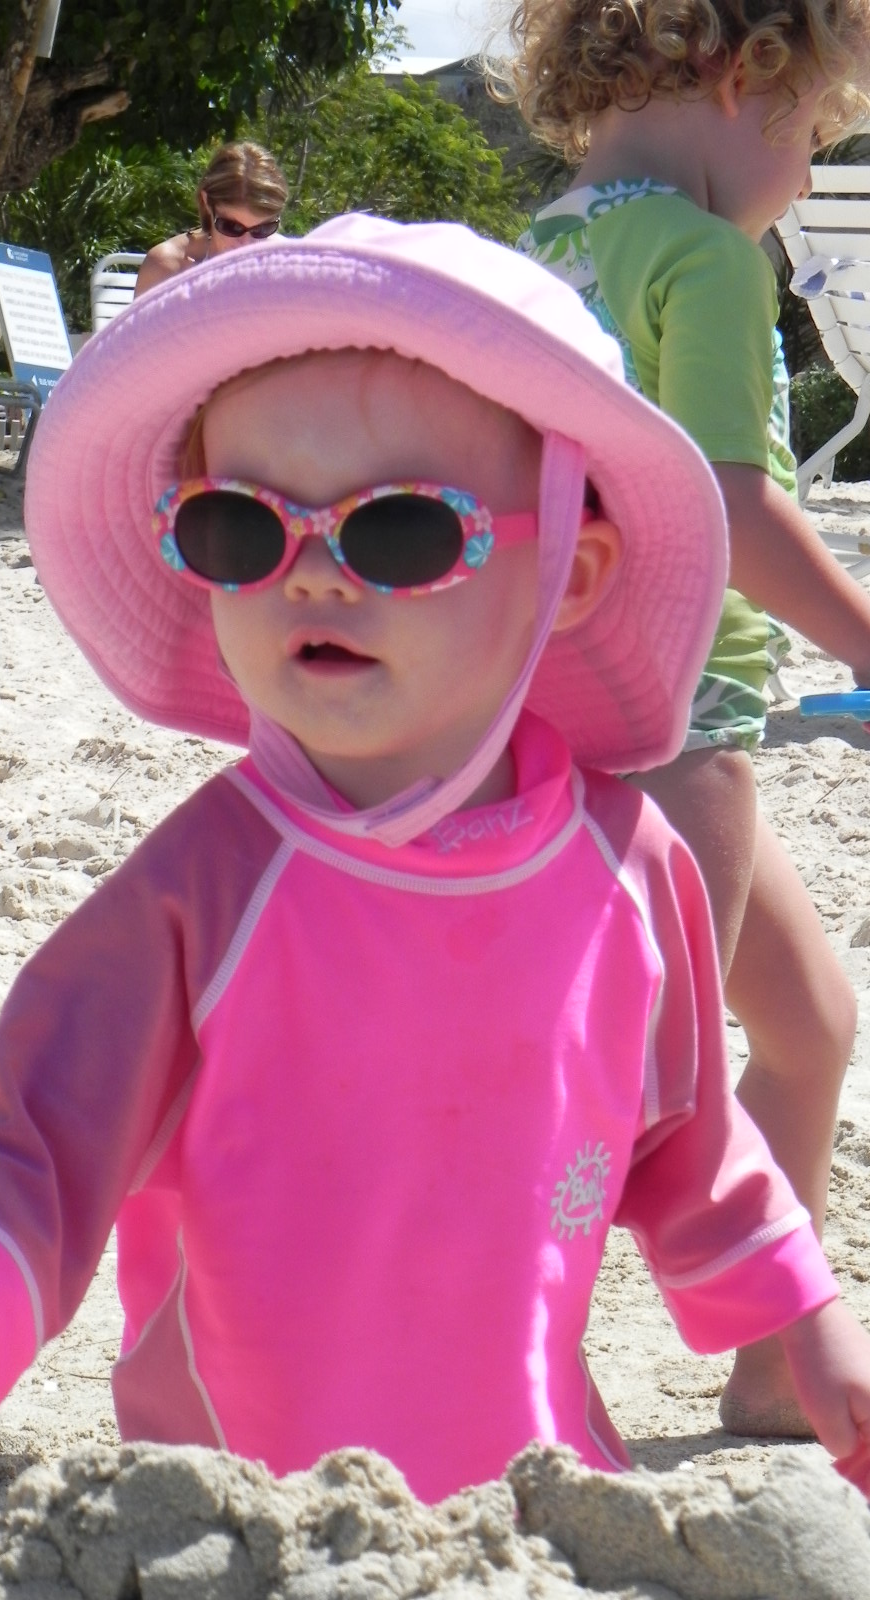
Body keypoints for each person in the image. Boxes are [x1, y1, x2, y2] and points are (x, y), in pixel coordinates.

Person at [0, 216, 870, 1507]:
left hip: (527, 1504)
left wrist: (812, 1329)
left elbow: (691, 1142)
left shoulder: (631, 870)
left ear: (571, 572)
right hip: (241, 1516)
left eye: (399, 532)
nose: (312, 577)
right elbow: (40, 1141)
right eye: (242, 529)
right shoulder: (206, 889)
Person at [505, 0, 870, 1437]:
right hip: (680, 718)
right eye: (820, 131)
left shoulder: (536, 247)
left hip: (543, 706)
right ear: (747, 79)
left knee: (808, 1019)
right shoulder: (708, 260)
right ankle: (517, 1370)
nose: (807, 173)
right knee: (617, 1080)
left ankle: (775, 1362)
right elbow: (733, 506)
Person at [132, 140, 288, 296]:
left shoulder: (286, 264)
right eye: (232, 227)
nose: (246, 244)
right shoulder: (167, 266)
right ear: (206, 201)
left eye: (262, 229)